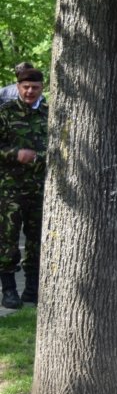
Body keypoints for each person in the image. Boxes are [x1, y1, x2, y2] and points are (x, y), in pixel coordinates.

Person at [0, 67, 48, 309]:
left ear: (42, 88)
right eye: (26, 87)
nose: (30, 91)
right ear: (18, 87)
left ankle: (32, 289)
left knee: (37, 240)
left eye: (35, 87)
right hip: (10, 190)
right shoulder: (5, 114)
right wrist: (14, 154)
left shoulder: (50, 114)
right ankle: (9, 290)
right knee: (7, 240)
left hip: (41, 190)